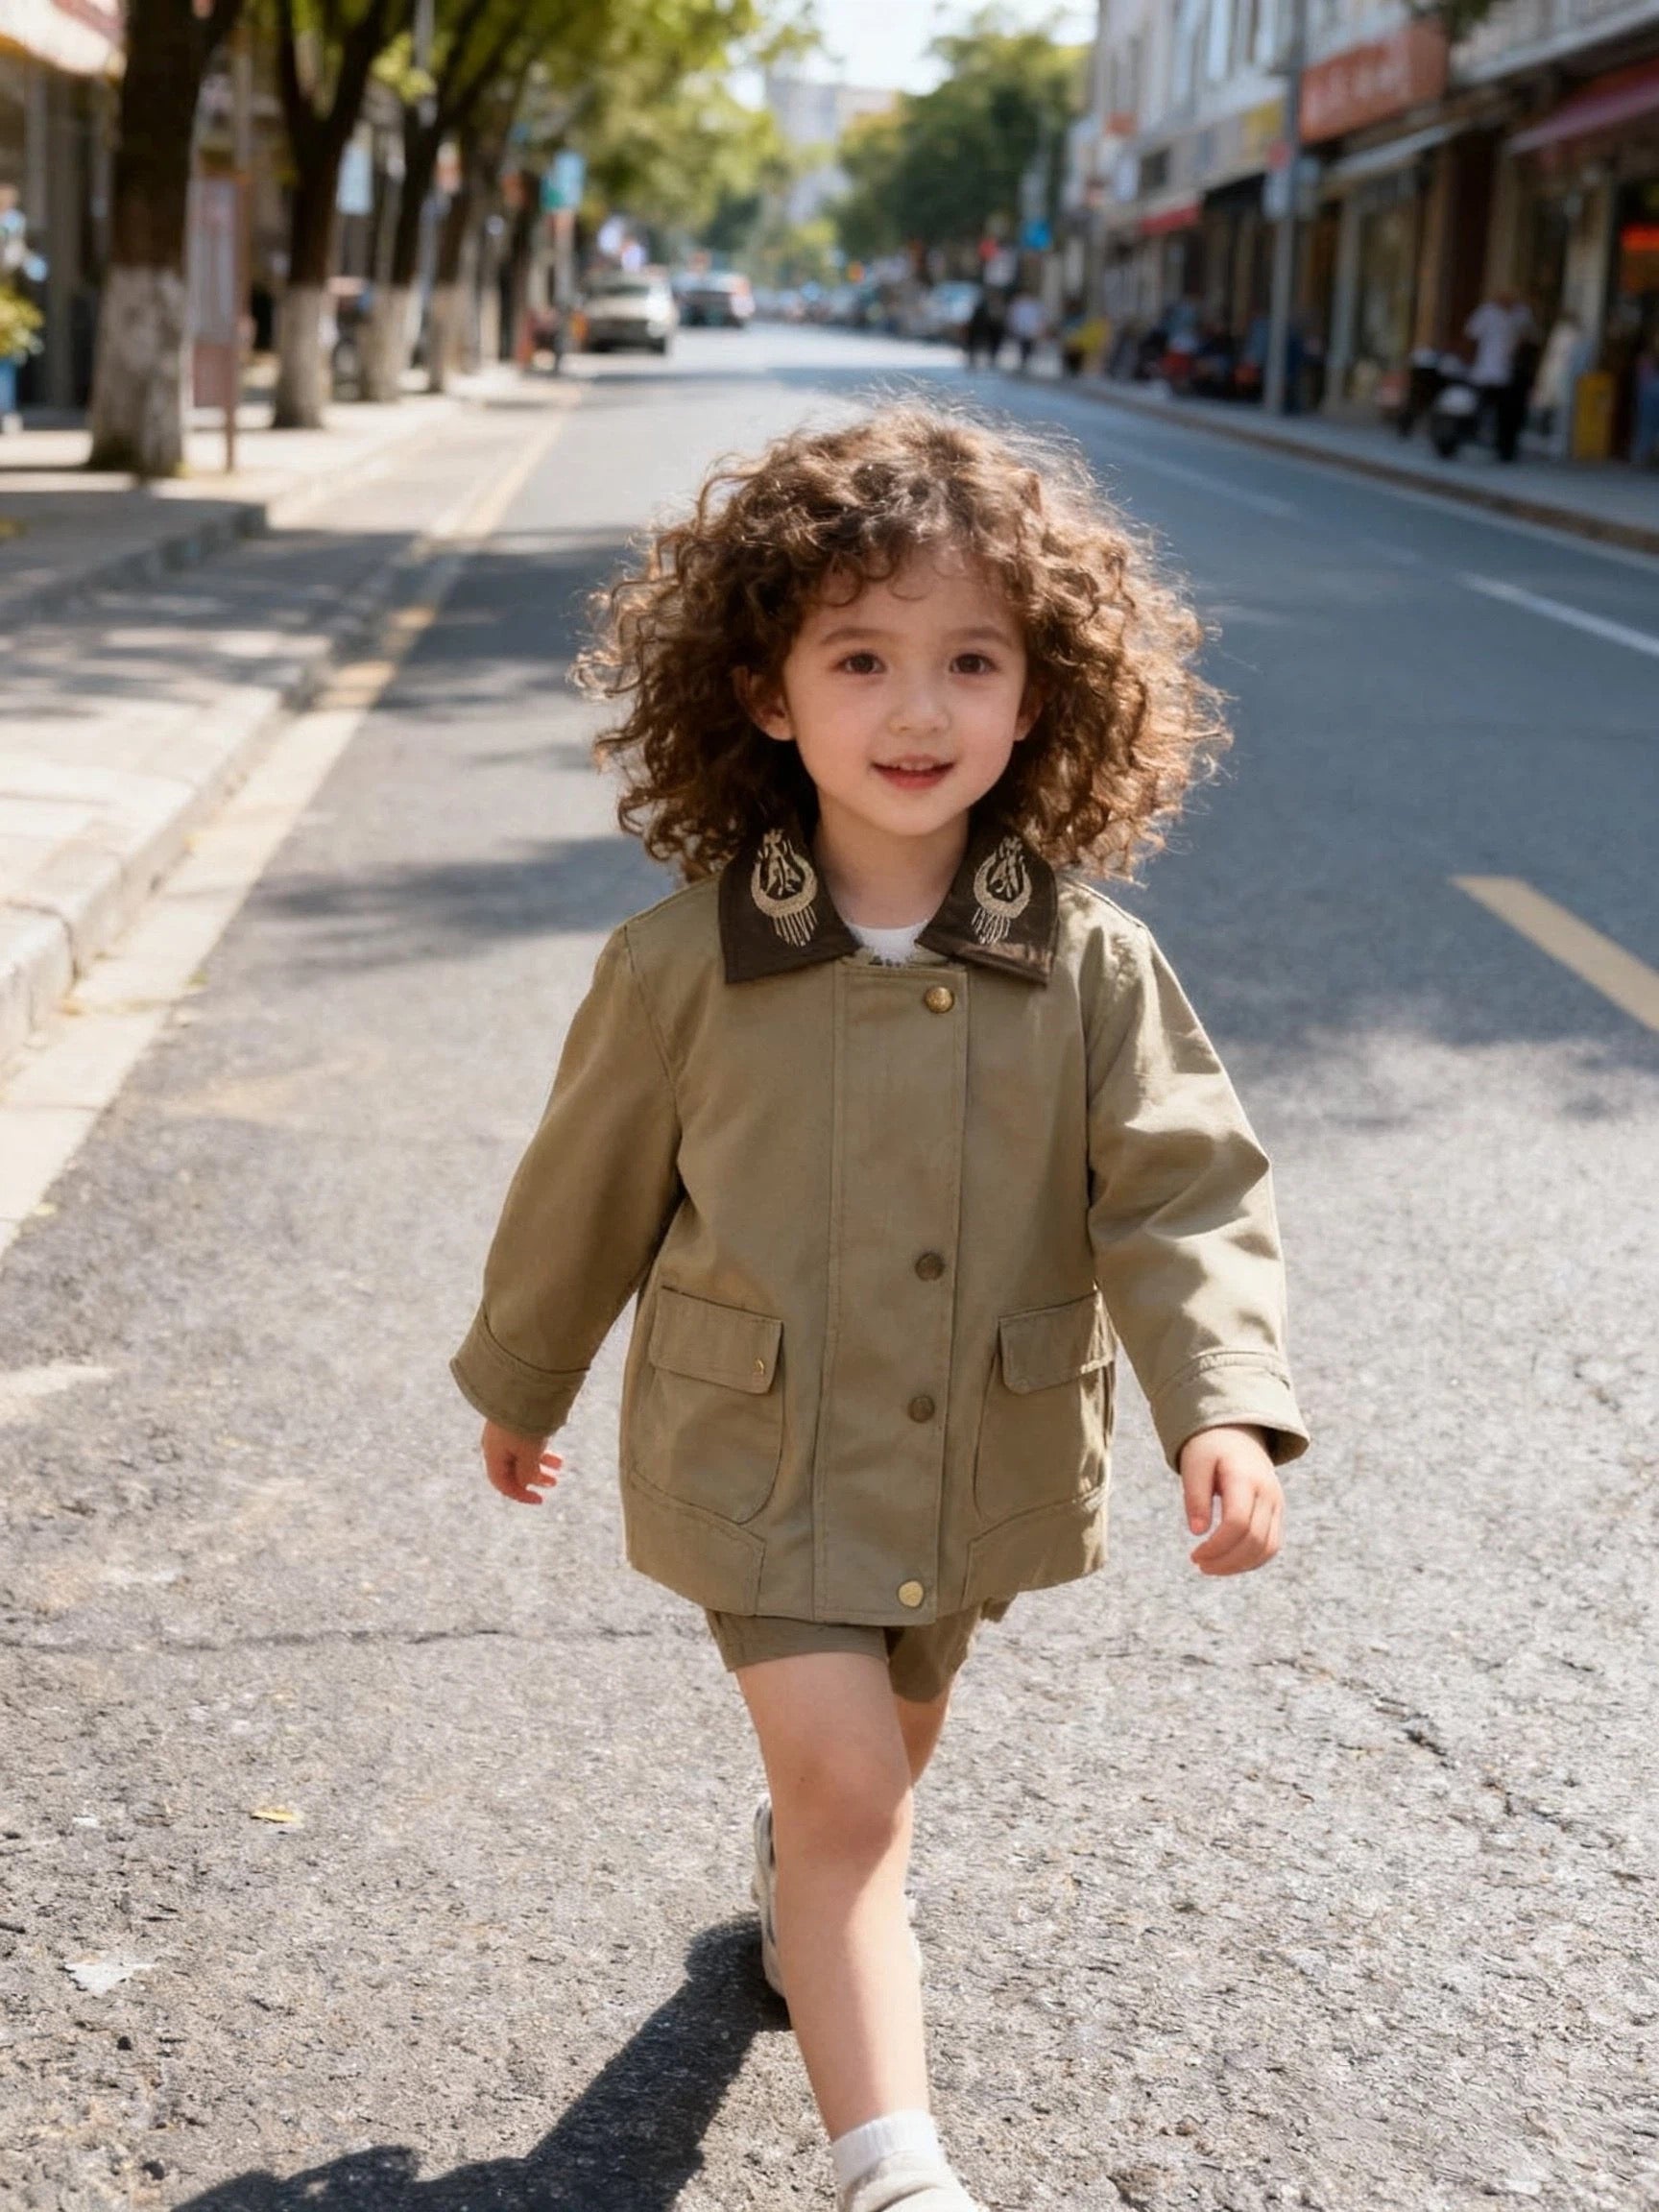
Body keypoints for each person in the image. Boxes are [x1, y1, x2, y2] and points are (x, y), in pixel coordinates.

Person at [451, 404, 1310, 2212]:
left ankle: (794, 1896)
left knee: (871, 1773)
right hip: (754, 1454)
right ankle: (891, 2161)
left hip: (972, 1463)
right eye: (861, 658)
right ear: (766, 695)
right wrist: (523, 1373)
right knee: (860, 1801)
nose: (917, 711)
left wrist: (1216, 1405)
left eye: (968, 662)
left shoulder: (1088, 962)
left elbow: (1179, 1193)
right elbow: (582, 1186)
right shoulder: (682, 962)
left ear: (1037, 695)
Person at [1464, 286, 1538, 462]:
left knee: (1509, 413)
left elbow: (1530, 337)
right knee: (1482, 407)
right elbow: (1471, 334)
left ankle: (1505, 448)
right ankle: (1476, 436)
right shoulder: (1487, 313)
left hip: (1512, 372)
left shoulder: (1522, 314)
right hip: (1487, 370)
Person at [1006, 288, 1046, 372]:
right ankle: (1024, 358)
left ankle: (1026, 358)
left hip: (1030, 329)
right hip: (1022, 329)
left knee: (1028, 345)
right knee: (1023, 345)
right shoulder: (1018, 304)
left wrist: (1040, 328)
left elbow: (1040, 317)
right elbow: (1014, 316)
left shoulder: (1035, 305)